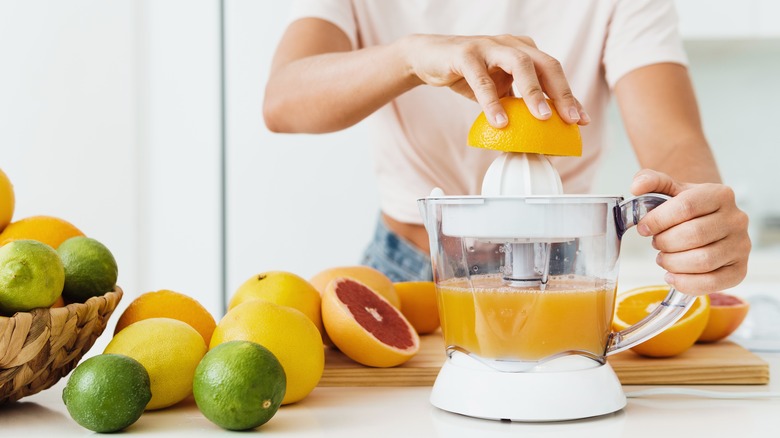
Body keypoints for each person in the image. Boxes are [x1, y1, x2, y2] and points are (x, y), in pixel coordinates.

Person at [263, 0, 750, 295]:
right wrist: (409, 57)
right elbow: (284, 100)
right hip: (404, 270)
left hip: (560, 273)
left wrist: (697, 216)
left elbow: (673, 137)